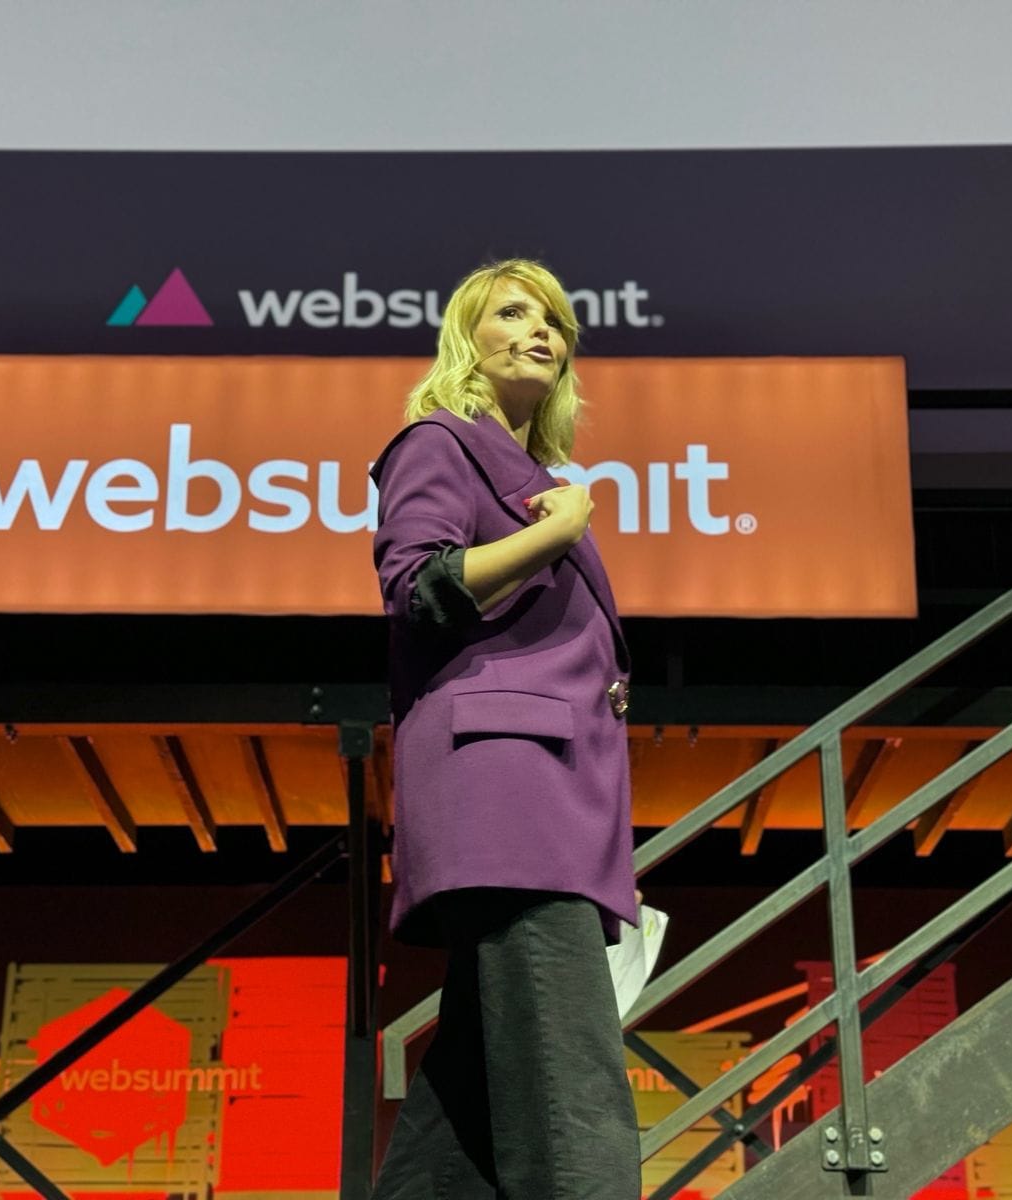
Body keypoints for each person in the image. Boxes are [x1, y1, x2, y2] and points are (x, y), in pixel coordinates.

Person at [369, 259, 641, 1198]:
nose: (541, 331)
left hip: (544, 794)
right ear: (466, 341)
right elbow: (418, 587)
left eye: (557, 322)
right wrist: (556, 534)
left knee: (469, 1104)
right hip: (507, 795)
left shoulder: (535, 472)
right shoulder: (438, 442)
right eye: (512, 313)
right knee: (571, 1084)